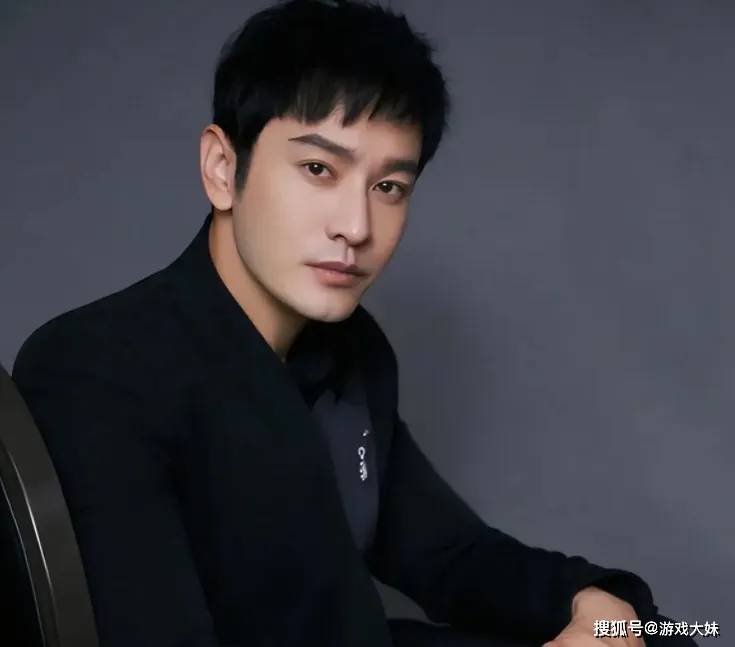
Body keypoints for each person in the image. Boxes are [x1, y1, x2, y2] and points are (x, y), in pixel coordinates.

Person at [12, 1, 697, 646]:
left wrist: (606, 609)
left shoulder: (349, 353)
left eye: (388, 187)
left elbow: (452, 555)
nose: (356, 226)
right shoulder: (97, 368)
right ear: (222, 169)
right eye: (318, 168)